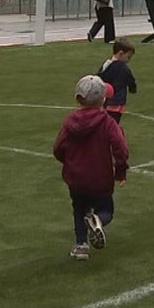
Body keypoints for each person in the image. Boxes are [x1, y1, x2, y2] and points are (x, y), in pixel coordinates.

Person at [52, 75, 128, 260]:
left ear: (78, 98)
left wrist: (69, 163)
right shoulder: (108, 122)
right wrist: (120, 171)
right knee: (106, 210)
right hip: (100, 176)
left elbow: (58, 148)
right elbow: (121, 149)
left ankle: (81, 245)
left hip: (76, 177)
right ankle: (98, 221)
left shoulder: (70, 121)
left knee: (79, 209)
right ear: (103, 99)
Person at [98, 39, 138, 124]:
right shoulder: (124, 68)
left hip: (105, 101)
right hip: (118, 103)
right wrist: (133, 89)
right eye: (128, 57)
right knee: (113, 124)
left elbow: (99, 78)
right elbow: (131, 80)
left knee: (105, 123)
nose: (128, 60)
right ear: (121, 53)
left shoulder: (106, 64)